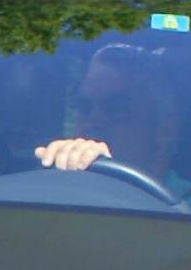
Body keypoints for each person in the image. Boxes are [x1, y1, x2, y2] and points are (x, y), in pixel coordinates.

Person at [35, 41, 182, 174]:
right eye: (84, 108)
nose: (91, 123)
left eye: (116, 110)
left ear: (166, 131)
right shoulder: (57, 190)